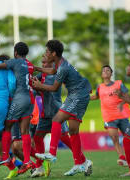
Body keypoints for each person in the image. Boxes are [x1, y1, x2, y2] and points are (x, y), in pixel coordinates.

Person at [32, 40, 93, 176]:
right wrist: (38, 68)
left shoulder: (63, 67)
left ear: (54, 53)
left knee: (57, 119)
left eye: (47, 51)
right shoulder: (60, 63)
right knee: (73, 131)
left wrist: (40, 86)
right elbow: (52, 70)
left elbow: (54, 88)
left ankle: (52, 153)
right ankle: (80, 163)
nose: (46, 53)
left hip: (78, 94)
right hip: (78, 93)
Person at [0, 42, 35, 176]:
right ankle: (27, 161)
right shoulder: (28, 64)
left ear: (16, 52)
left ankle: (5, 157)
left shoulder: (15, 62)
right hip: (29, 99)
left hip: (18, 99)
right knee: (24, 132)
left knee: (6, 127)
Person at [31, 56, 72, 178]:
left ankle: (82, 161)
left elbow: (45, 89)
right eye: (42, 63)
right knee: (38, 138)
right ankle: (39, 167)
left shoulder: (55, 75)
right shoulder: (42, 75)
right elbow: (33, 84)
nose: (43, 65)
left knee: (65, 139)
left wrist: (37, 87)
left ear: (52, 64)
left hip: (56, 112)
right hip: (45, 113)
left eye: (45, 63)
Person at [90, 65, 130, 166]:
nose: (105, 71)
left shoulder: (119, 83)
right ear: (101, 74)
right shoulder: (99, 86)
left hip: (122, 115)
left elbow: (128, 97)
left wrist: (121, 102)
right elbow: (96, 96)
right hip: (109, 117)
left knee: (128, 138)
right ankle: (122, 157)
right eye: (103, 70)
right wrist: (84, 97)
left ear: (111, 73)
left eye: (107, 70)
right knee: (114, 137)